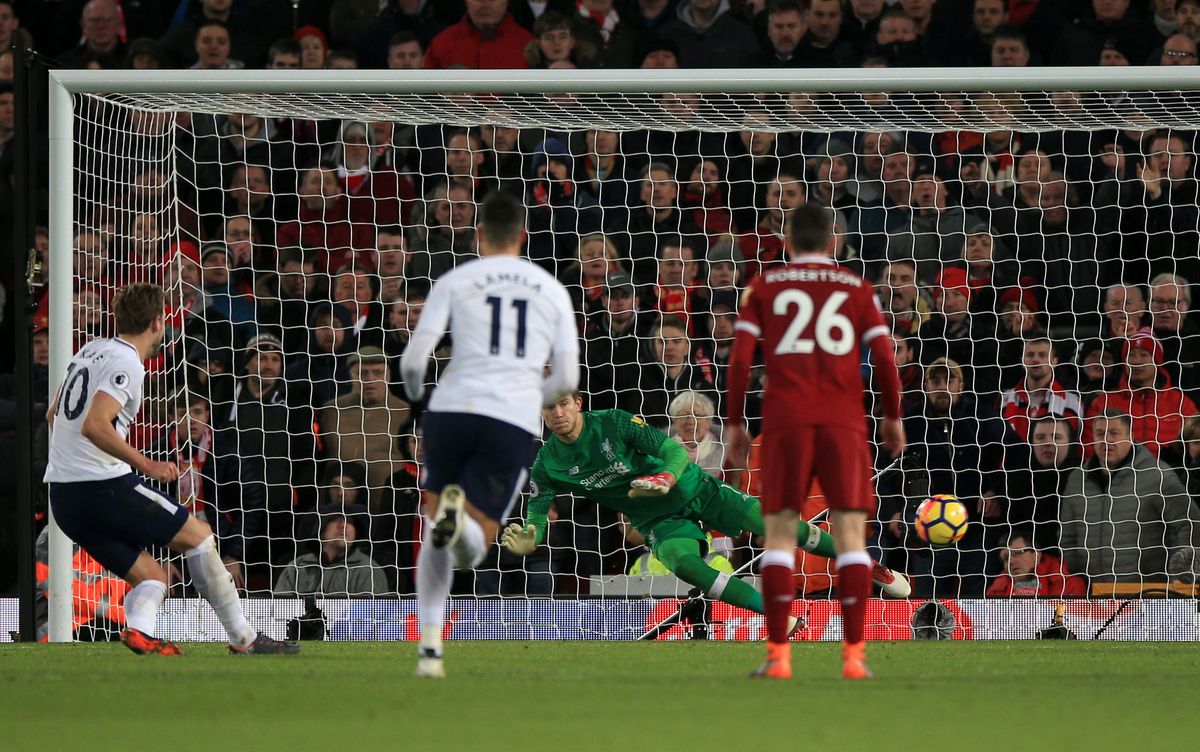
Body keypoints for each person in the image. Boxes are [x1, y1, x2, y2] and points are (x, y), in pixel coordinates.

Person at [43, 284, 296, 655]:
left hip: (63, 497)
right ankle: (245, 638)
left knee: (153, 577)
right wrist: (146, 464)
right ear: (158, 322)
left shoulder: (89, 350)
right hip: (100, 487)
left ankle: (141, 631)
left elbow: (53, 416)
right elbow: (95, 424)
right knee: (200, 536)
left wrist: (74, 462)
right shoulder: (126, 361)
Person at [501, 395, 909, 624]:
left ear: (577, 403)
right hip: (658, 519)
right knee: (683, 564)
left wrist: (666, 478)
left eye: (562, 405)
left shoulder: (613, 421)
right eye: (548, 408)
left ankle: (871, 566)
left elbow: (672, 450)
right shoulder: (547, 464)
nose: (556, 415)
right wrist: (531, 537)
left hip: (697, 490)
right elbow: (537, 512)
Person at [400, 192, 579, 678]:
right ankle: (461, 534)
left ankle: (431, 652)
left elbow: (414, 361)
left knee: (431, 526)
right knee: (478, 539)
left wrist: (420, 400)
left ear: (479, 236)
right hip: (510, 418)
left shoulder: (456, 279)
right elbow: (567, 379)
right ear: (523, 236)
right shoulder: (551, 290)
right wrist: (529, 391)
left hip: (451, 409)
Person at [726, 204, 905, 680]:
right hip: (843, 422)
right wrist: (891, 417)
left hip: (785, 423)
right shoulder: (856, 288)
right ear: (833, 242)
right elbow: (885, 360)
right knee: (850, 537)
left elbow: (741, 361)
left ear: (787, 242)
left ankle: (780, 658)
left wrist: (734, 423)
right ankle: (853, 658)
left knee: (780, 537)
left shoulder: (765, 286)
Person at [1061, 410, 1199, 583]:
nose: (1107, 440)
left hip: (1148, 596)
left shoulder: (1157, 475)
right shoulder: (1077, 479)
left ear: (1131, 436)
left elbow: (1190, 524)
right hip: (1092, 596)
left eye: (1114, 433)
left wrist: (1178, 578)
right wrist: (1077, 582)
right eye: (1100, 433)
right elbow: (1067, 538)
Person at [274, 507, 389, 597]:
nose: (342, 525)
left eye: (349, 521)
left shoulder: (369, 570)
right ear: (321, 531)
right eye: (334, 519)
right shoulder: (296, 567)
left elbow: (373, 619)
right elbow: (279, 611)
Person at [986, 527, 1086, 598]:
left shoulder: (1069, 585)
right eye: (1005, 558)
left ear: (1036, 554)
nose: (1011, 561)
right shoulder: (996, 592)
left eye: (1017, 553)